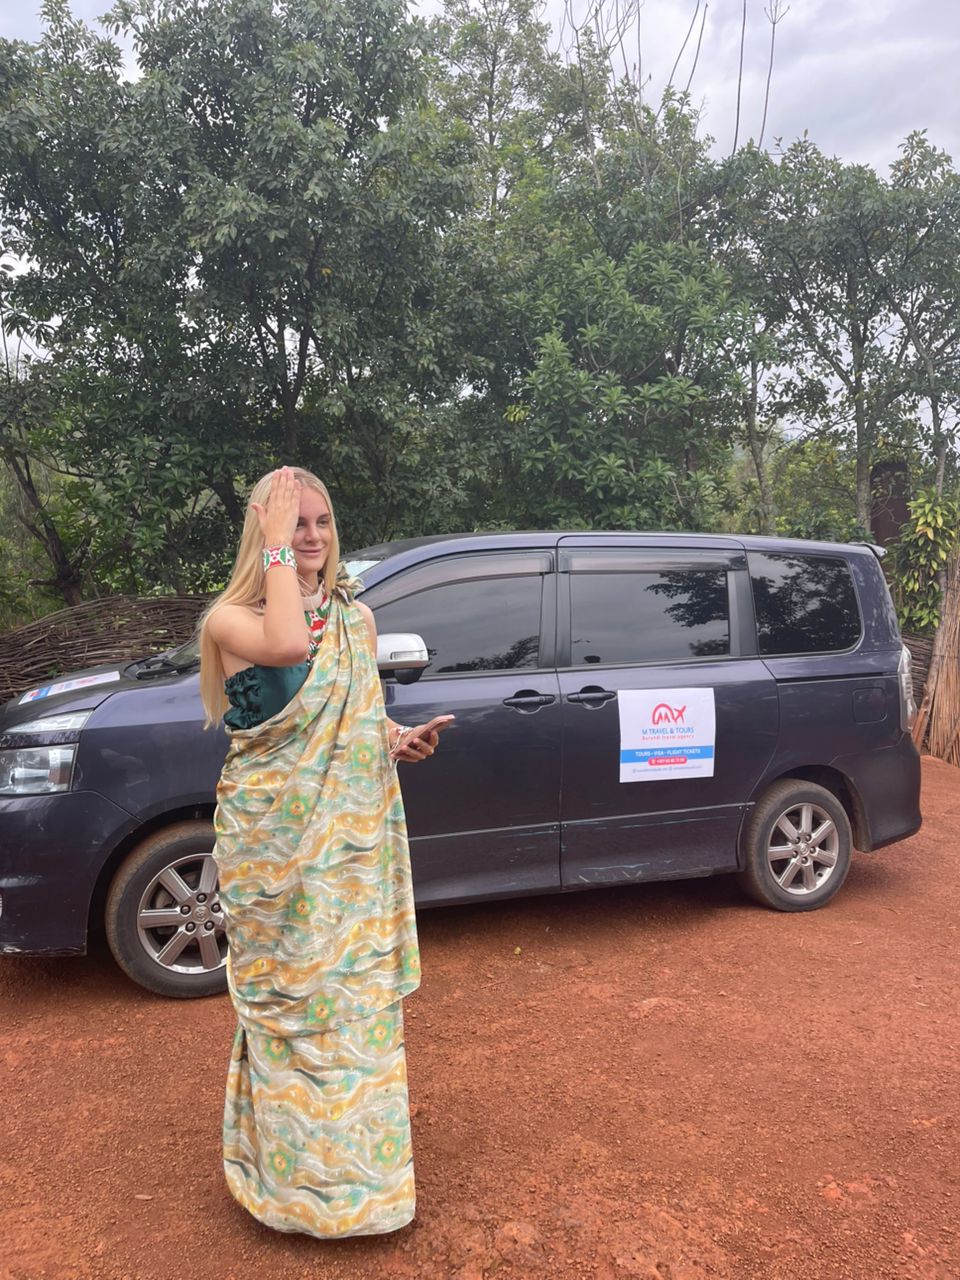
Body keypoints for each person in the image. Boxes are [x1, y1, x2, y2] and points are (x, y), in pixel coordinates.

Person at [198, 465, 451, 1239]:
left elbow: (359, 716)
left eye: (321, 523)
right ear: (266, 533)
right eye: (294, 524)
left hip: (345, 849)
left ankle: (363, 1189)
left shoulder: (356, 618)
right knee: (296, 1009)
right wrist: (274, 551)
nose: (311, 537)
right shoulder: (230, 620)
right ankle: (289, 1189)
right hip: (274, 849)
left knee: (351, 1004)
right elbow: (282, 644)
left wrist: (397, 740)